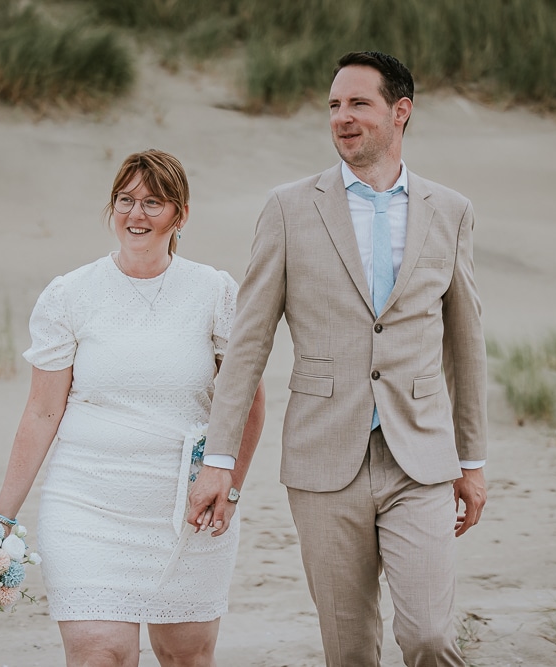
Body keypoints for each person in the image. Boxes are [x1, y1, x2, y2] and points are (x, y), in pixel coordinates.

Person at [187, 51, 488, 667]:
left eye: (358, 104)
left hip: (421, 457)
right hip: (324, 458)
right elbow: (248, 342)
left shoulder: (449, 211)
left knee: (429, 635)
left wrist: (472, 457)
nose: (342, 118)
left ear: (400, 112)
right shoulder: (289, 207)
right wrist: (218, 459)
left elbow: (465, 341)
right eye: (333, 106)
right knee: (348, 648)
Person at [0, 149, 266, 667]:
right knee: (102, 653)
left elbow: (247, 402)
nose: (136, 214)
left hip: (188, 508)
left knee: (185, 655)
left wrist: (229, 487)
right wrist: (2, 517)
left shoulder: (215, 292)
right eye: (125, 200)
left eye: (153, 203)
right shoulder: (69, 295)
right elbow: (41, 413)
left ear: (180, 215)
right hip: (86, 505)